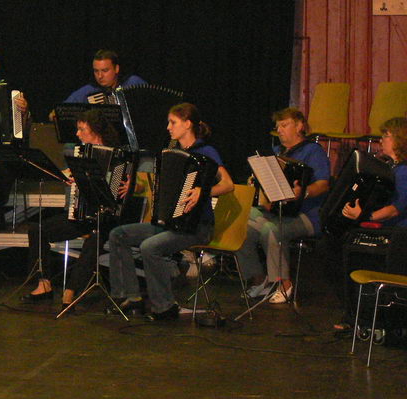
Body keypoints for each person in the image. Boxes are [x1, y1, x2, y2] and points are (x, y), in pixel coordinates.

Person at [108, 103, 234, 320]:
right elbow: (161, 188)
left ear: (187, 124)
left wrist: (203, 192)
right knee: (118, 235)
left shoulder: (205, 152)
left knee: (149, 247)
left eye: (173, 122)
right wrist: (137, 187)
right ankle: (132, 298)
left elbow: (228, 184)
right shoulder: (173, 152)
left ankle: (164, 307)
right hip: (170, 223)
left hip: (197, 226)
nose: (168, 127)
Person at [21, 109, 121, 310]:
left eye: (81, 129)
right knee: (37, 229)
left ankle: (72, 290)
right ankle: (43, 283)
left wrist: (129, 185)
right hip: (81, 214)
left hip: (108, 218)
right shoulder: (79, 153)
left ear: (94, 131)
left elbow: (128, 185)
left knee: (95, 237)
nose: (77, 134)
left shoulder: (118, 155)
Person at [234, 107, 330, 303]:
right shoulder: (277, 152)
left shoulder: (313, 151)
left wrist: (303, 193)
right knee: (241, 223)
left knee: (272, 229)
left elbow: (323, 184)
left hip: (308, 215)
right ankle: (259, 280)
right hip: (278, 212)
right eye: (277, 126)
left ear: (300, 125)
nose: (279, 130)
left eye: (284, 125)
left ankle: (284, 283)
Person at [332, 116, 407, 329]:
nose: (381, 140)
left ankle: (360, 318)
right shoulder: (392, 168)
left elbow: (394, 209)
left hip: (398, 236)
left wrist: (364, 217)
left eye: (386, 136)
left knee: (348, 248)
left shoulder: (404, 171)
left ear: (400, 140)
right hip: (391, 233)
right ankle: (357, 316)